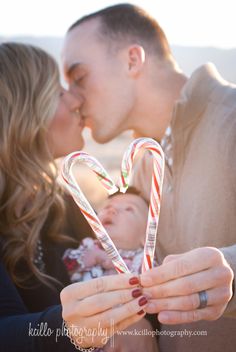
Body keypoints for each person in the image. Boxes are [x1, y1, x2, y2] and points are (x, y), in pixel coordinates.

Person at [62, 3, 236, 352]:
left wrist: (231, 269)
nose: (74, 99)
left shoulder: (230, 123)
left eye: (79, 78)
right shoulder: (141, 165)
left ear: (132, 60)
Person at [0, 42, 151, 351]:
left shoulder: (62, 204)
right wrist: (79, 328)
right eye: (58, 92)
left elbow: (118, 273)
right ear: (23, 110)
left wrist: (140, 323)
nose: (76, 100)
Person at [63, 188, 151, 281]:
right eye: (107, 207)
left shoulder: (143, 261)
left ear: (146, 237)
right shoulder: (88, 246)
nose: (112, 210)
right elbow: (62, 271)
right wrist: (86, 260)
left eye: (128, 209)